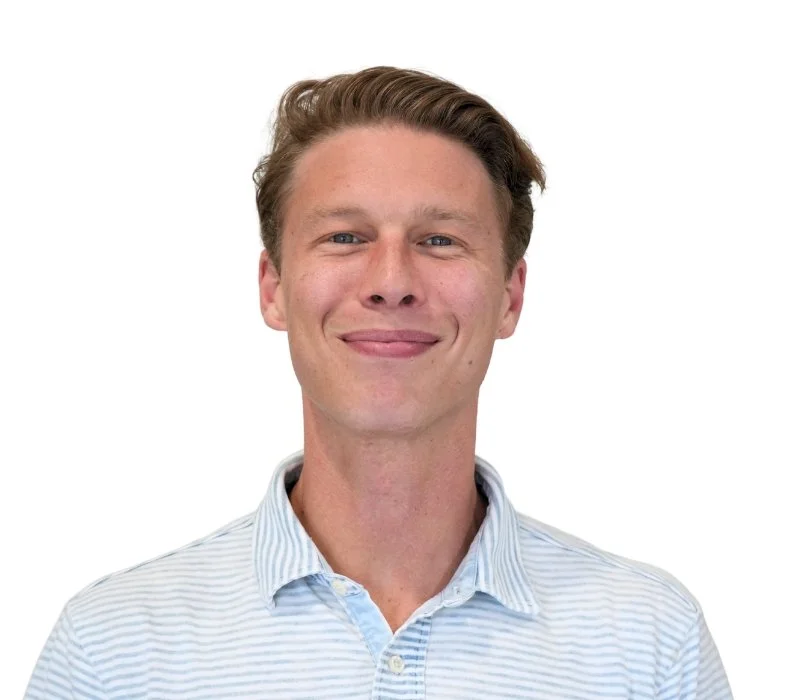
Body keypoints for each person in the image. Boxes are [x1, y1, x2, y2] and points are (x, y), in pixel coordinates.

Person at [25, 66, 733, 699]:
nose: (391, 282)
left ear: (511, 297)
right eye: (345, 237)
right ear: (273, 287)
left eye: (439, 240)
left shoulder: (649, 642)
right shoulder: (112, 649)